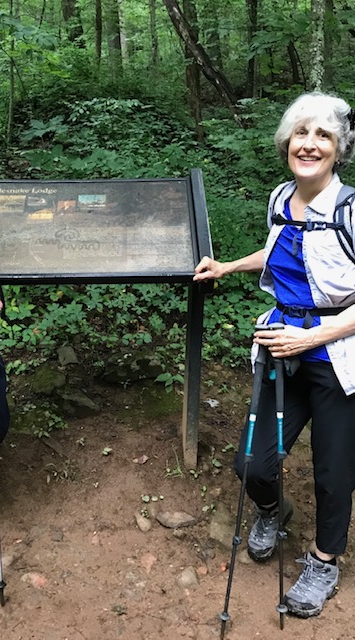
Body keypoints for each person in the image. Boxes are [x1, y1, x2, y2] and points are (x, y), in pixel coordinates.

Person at [194, 92, 355, 618]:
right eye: (301, 135)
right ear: (287, 143)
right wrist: (227, 267)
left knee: (333, 471)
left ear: (338, 148)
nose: (309, 145)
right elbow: (279, 248)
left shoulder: (351, 210)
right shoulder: (281, 197)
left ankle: (324, 562)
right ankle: (272, 508)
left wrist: (313, 338)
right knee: (252, 462)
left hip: (335, 357)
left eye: (323, 136)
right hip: (279, 349)